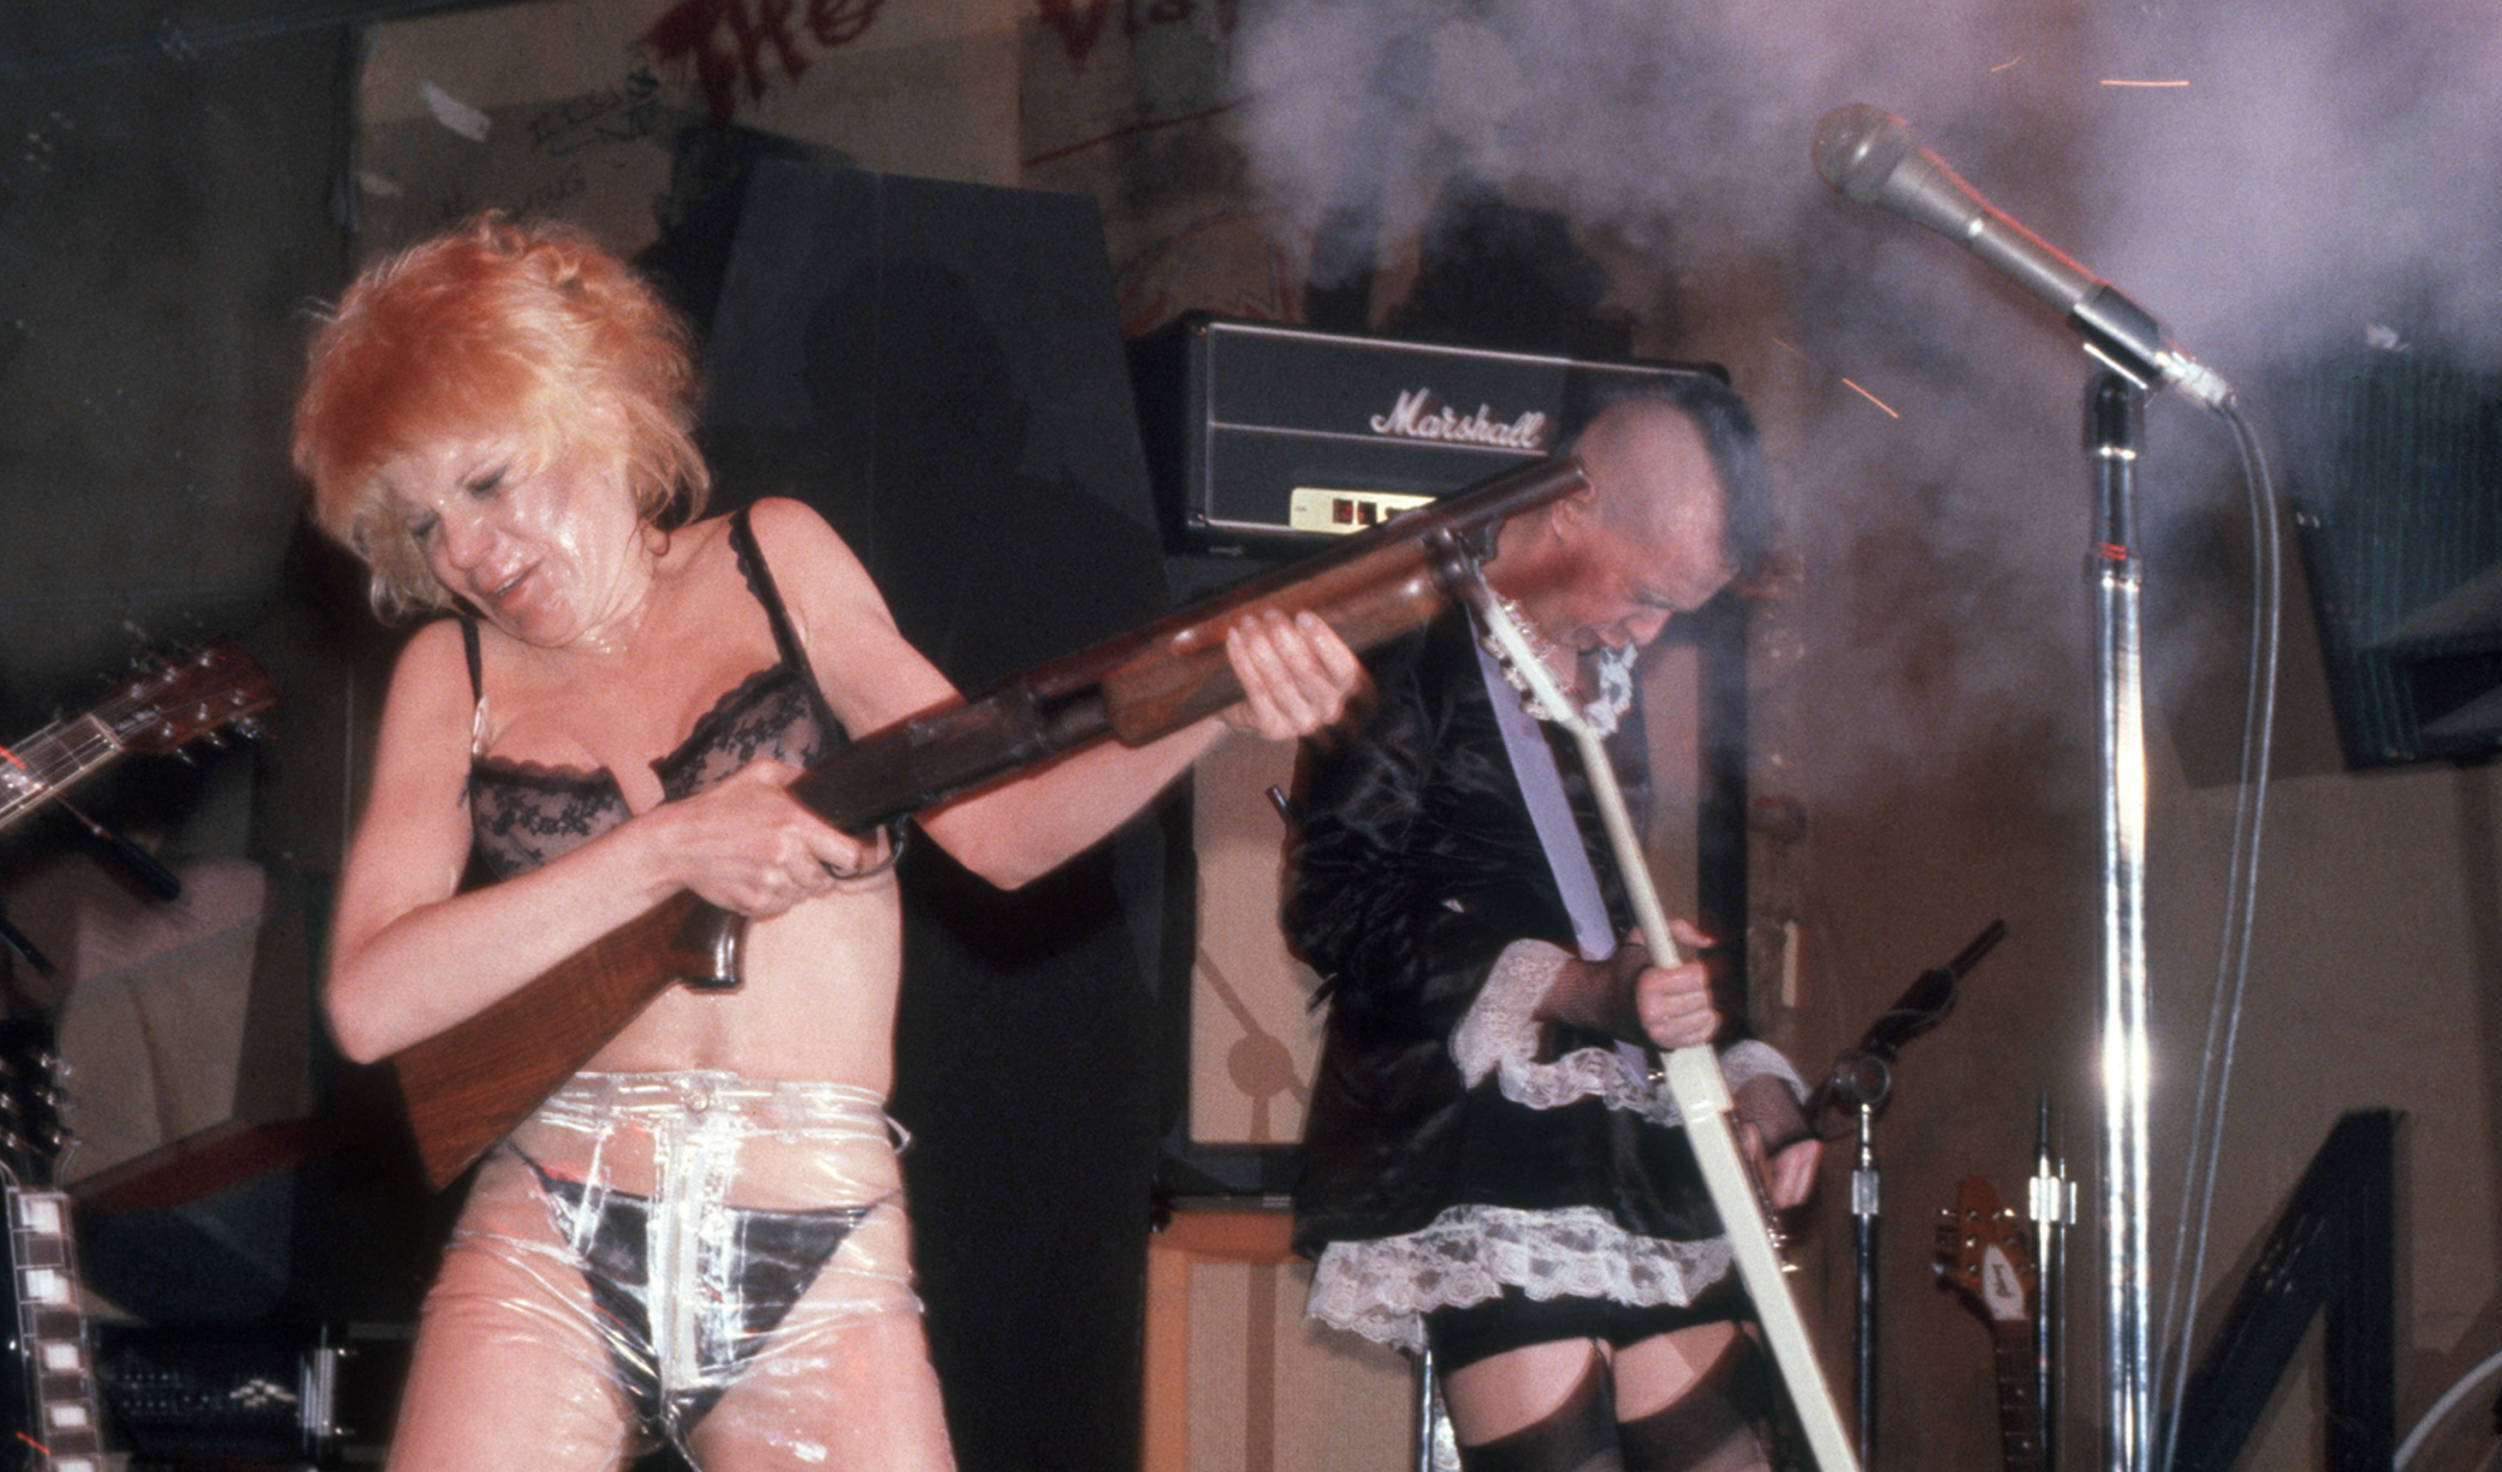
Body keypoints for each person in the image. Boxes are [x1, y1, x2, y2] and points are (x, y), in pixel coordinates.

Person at [290, 214, 1363, 1472]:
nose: (467, 551)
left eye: (484, 482)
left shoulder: (773, 556)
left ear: (593, 410)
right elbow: (370, 1001)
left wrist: (1218, 703)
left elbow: (1005, 833)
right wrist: (669, 848)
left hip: (820, 1237)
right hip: (550, 1228)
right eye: (421, 525)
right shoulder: (451, 670)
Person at [1285, 383, 1821, 1472]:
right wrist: (1577, 989)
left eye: (1681, 609)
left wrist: (1748, 1074)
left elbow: (1606, 918)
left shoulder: (1596, 668)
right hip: (1478, 1140)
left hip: (1618, 1142)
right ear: (1572, 507)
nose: (1649, 631)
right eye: (1645, 591)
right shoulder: (1406, 627)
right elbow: (1334, 906)